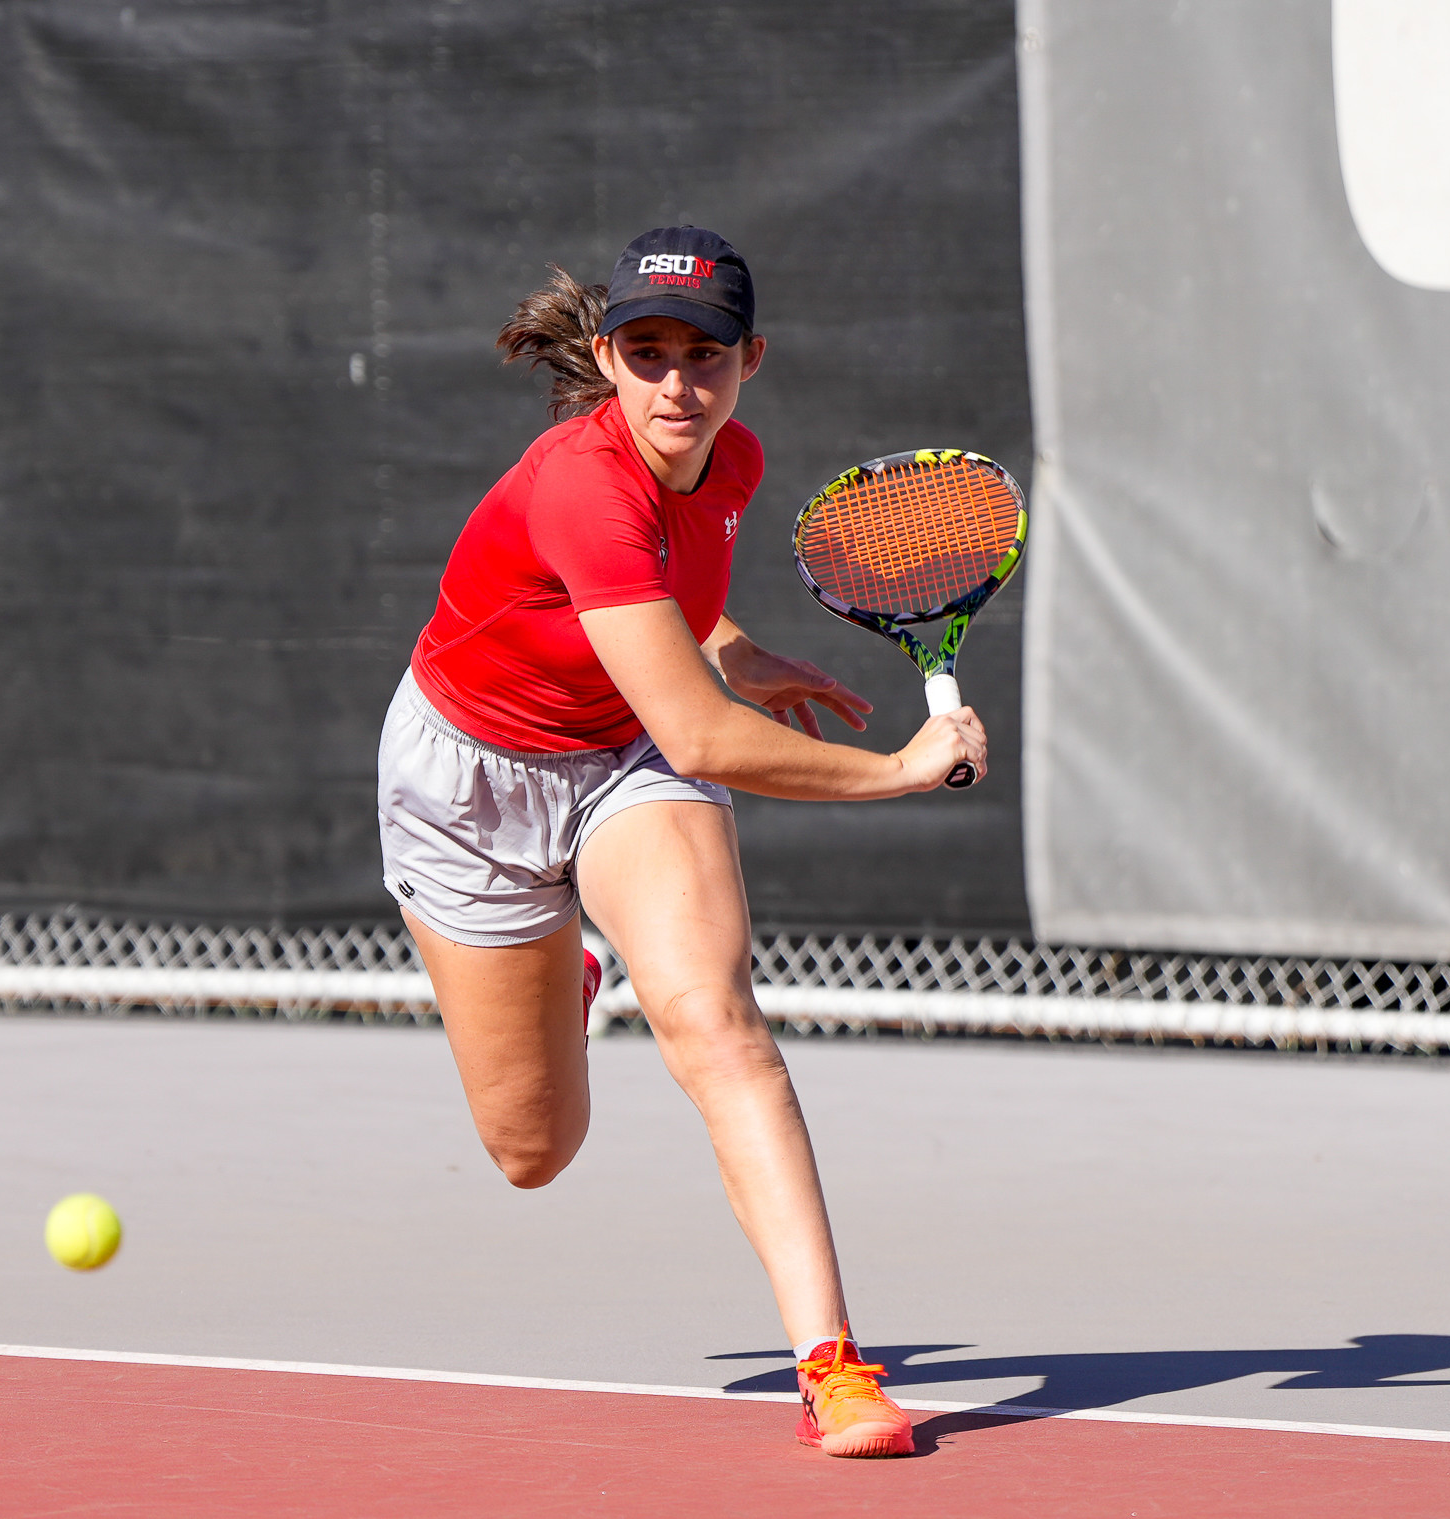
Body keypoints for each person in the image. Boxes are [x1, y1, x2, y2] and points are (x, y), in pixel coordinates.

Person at [376, 226, 987, 1458]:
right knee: (532, 1151)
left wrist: (732, 645)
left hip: (625, 766)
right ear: (607, 358)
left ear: (748, 360)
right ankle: (575, 973)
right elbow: (709, 742)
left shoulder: (734, 462)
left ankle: (834, 1365)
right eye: (645, 353)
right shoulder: (578, 482)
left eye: (702, 355)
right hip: (471, 788)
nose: (675, 383)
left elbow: (662, 628)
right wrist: (897, 773)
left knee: (716, 1023)